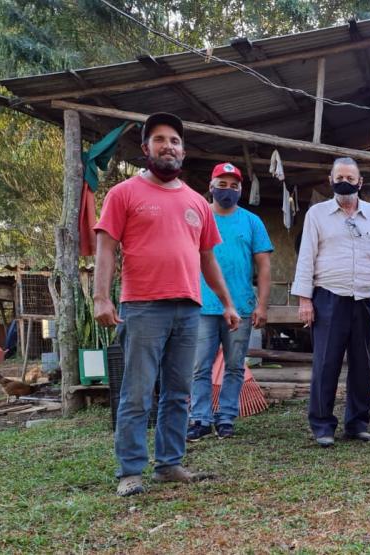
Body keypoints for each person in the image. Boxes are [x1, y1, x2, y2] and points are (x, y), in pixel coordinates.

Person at [93, 113, 240, 497]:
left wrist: (227, 303)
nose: (168, 146)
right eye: (159, 140)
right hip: (142, 306)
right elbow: (106, 247)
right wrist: (101, 297)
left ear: (183, 151)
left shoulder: (197, 202)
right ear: (146, 149)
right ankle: (130, 471)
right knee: (138, 392)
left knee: (179, 392)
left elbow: (208, 259)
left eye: (174, 140)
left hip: (189, 308)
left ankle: (170, 463)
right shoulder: (123, 194)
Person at [293, 157, 370, 447]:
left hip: (365, 297)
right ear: (330, 179)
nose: (345, 182)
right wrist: (305, 300)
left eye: (351, 178)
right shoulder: (317, 214)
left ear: (360, 182)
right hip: (328, 295)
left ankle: (358, 423)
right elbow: (306, 257)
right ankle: (323, 425)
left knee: (362, 364)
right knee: (326, 362)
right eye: (340, 177)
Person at [187, 162, 273, 441]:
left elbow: (264, 266)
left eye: (234, 186)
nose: (227, 190)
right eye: (221, 185)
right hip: (202, 306)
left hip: (241, 307)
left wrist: (262, 304)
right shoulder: (197, 218)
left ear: (241, 190)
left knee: (235, 366)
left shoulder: (252, 222)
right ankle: (200, 418)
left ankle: (225, 418)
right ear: (210, 187)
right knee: (200, 366)